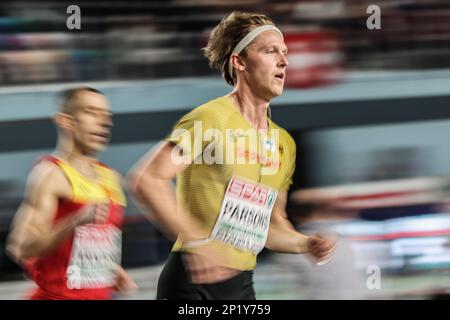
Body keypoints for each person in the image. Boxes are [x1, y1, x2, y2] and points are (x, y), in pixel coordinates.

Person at [128, 11, 336, 300]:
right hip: (192, 284)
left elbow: (273, 228)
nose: (284, 61)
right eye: (270, 51)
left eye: (285, 53)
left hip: (240, 285)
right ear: (239, 62)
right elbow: (146, 179)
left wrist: (305, 243)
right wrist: (199, 245)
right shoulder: (211, 119)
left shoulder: (282, 144)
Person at [6, 87, 137, 300]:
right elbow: (20, 247)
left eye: (106, 116)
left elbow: (83, 247)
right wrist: (75, 220)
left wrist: (110, 269)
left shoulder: (111, 177)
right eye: (91, 112)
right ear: (66, 121)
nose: (104, 122)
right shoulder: (50, 175)